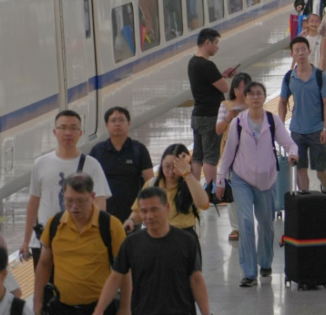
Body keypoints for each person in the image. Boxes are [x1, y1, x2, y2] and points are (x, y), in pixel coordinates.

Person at [215, 82, 298, 286]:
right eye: (250, 94)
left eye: (259, 94)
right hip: (242, 179)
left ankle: (265, 263)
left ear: (264, 97)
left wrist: (293, 154)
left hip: (267, 180)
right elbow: (228, 154)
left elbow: (289, 143)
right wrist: (220, 179)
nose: (254, 97)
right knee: (245, 223)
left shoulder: (272, 120)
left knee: (266, 225)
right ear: (247, 98)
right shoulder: (238, 123)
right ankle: (249, 272)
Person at [92, 187, 210, 315]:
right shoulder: (131, 243)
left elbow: (196, 279)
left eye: (154, 209)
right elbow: (115, 278)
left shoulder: (186, 241)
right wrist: (99, 309)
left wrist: (206, 313)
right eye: (144, 211)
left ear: (167, 208)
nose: (149, 216)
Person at [20, 111, 111, 267]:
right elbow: (34, 202)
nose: (68, 133)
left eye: (73, 128)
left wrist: (92, 235)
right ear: (55, 132)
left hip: (79, 240)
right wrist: (26, 241)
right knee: (45, 287)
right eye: (62, 128)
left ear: (80, 133)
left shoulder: (91, 164)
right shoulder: (41, 163)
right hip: (44, 240)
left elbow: (100, 203)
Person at [33, 174, 129, 315]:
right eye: (69, 201)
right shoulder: (54, 224)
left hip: (99, 309)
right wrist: (37, 301)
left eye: (81, 201)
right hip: (62, 308)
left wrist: (125, 308)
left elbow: (124, 271)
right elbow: (44, 265)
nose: (74, 207)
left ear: (93, 196)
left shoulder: (110, 225)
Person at [279, 37, 326, 193]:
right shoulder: (289, 77)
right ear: (292, 55)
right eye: (297, 50)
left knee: (321, 168)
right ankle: (305, 196)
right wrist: (281, 126)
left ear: (309, 52)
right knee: (300, 168)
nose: (301, 53)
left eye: (303, 49)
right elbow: (282, 102)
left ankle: (325, 188)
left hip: (317, 130)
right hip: (297, 131)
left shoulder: (320, 76)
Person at [124, 144, 209, 240]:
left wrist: (187, 174)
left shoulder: (190, 184)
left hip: (184, 238)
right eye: (167, 166)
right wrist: (131, 220)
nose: (171, 171)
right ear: (161, 164)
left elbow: (204, 204)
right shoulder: (152, 184)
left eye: (176, 167)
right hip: (156, 237)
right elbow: (138, 211)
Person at [187, 28, 238, 187]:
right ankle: (211, 190)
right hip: (210, 116)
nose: (217, 47)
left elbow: (207, 83)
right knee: (210, 156)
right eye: (215, 43)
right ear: (207, 43)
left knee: (197, 156)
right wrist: (223, 80)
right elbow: (224, 88)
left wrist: (221, 76)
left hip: (198, 115)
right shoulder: (207, 65)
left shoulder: (193, 62)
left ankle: (196, 191)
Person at [89, 107, 154, 223]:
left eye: (121, 120)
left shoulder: (139, 149)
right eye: (113, 120)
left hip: (132, 214)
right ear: (106, 125)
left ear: (128, 123)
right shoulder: (97, 151)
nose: (117, 124)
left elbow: (150, 181)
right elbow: (88, 181)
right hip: (104, 212)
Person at [216, 72, 252, 240]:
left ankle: (248, 223)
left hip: (251, 152)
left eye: (244, 88)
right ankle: (236, 227)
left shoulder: (254, 104)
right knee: (233, 190)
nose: (240, 91)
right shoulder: (226, 105)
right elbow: (218, 130)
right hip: (231, 153)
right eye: (237, 88)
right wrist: (229, 117)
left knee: (251, 188)